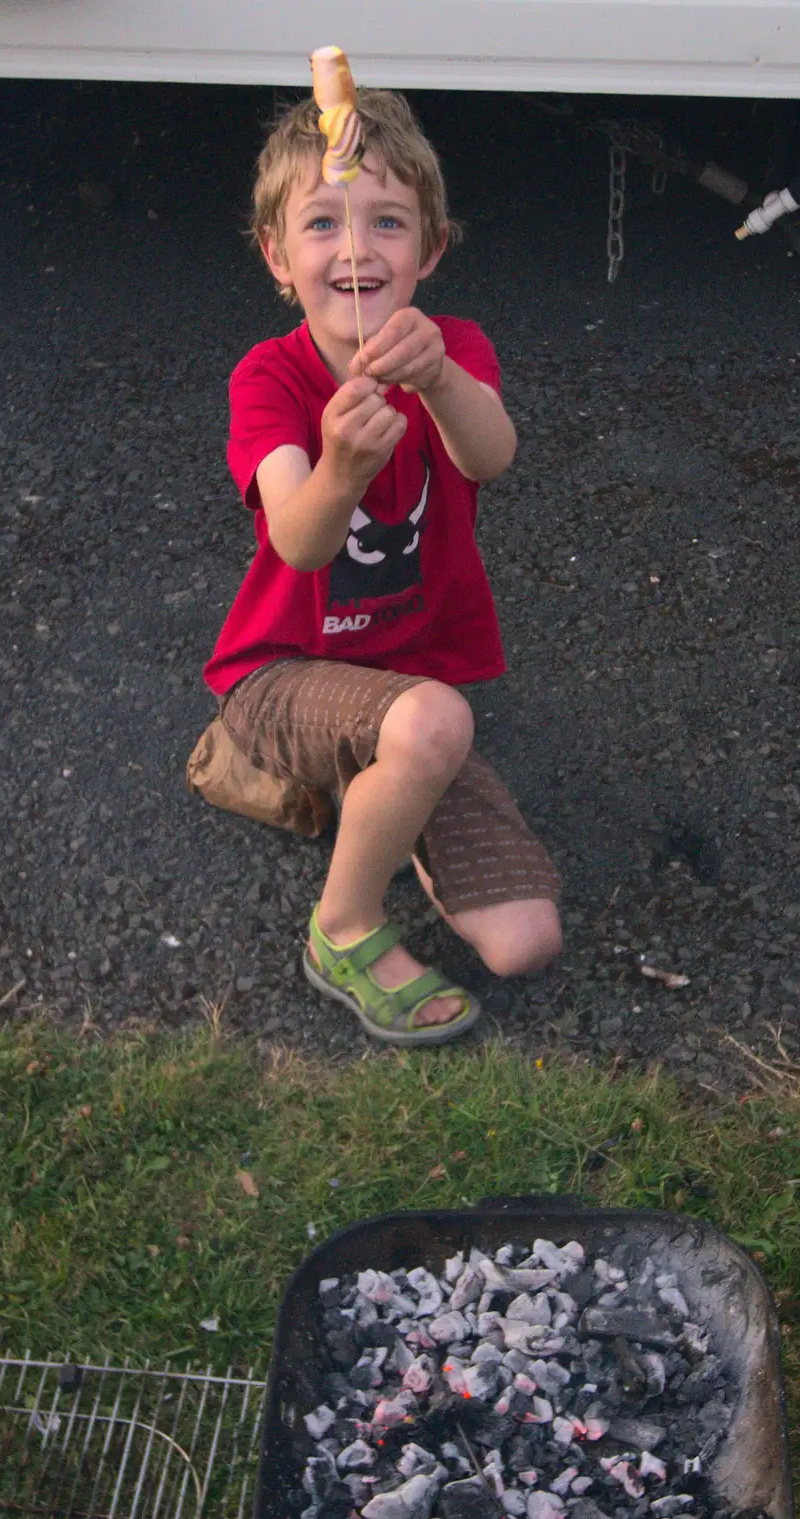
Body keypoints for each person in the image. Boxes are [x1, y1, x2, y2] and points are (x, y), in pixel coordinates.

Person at [203, 88, 562, 1046]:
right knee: (436, 719)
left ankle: (383, 787)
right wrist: (343, 466)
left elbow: (490, 456)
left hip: (408, 688)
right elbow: (301, 541)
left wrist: (438, 376)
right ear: (279, 257)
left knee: (523, 941)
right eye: (322, 223)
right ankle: (342, 928)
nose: (356, 249)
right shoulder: (268, 380)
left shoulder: (457, 352)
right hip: (281, 675)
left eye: (387, 223)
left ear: (430, 249)